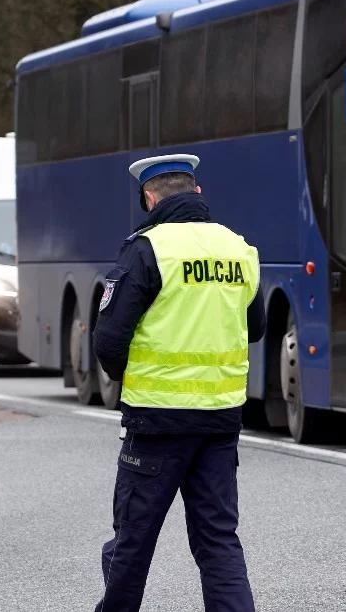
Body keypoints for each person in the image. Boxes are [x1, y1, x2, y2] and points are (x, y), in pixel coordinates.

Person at [92, 153, 264, 611]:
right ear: (198, 193)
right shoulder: (238, 249)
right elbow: (258, 327)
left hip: (155, 423)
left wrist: (133, 382)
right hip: (220, 422)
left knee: (133, 542)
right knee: (218, 541)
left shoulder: (147, 248)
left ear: (149, 198)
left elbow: (109, 339)